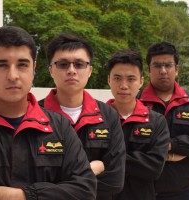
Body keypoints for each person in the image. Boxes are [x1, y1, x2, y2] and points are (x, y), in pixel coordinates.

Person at [0, 26, 97, 200]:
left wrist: (20, 195)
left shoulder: (60, 127)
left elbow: (85, 190)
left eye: (22, 65)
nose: (13, 75)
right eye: (2, 65)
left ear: (33, 69)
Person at [38, 33, 126, 199]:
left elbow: (114, 181)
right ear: (51, 70)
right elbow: (30, 181)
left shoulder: (108, 115)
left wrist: (58, 185)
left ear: (90, 70)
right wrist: (92, 169)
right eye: (63, 64)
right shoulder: (33, 115)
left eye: (79, 64)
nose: (71, 71)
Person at [138, 41, 189, 200]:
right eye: (157, 66)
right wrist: (171, 154)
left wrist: (171, 145)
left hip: (183, 192)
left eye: (168, 65)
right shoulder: (135, 102)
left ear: (176, 69)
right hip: (141, 192)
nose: (163, 71)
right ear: (148, 70)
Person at [105, 49, 170, 200]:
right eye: (117, 78)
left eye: (131, 79)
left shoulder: (156, 121)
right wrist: (137, 160)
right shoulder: (96, 119)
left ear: (141, 81)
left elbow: (154, 168)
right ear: (109, 80)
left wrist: (108, 159)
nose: (123, 85)